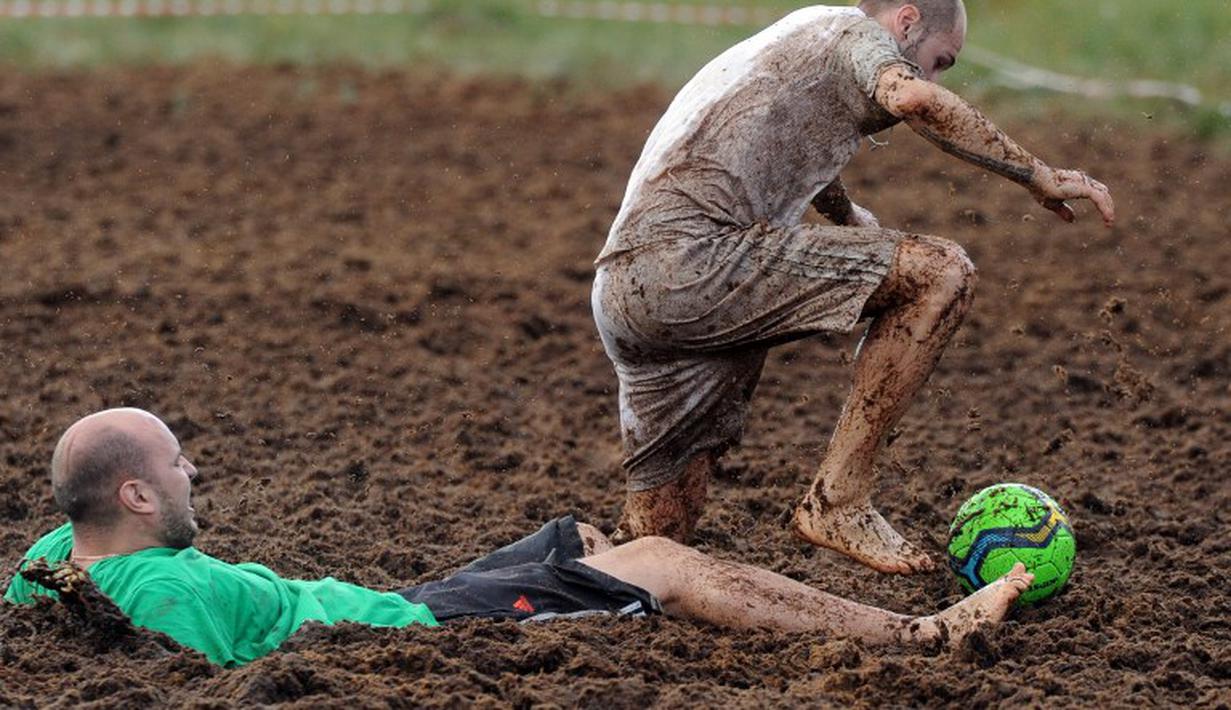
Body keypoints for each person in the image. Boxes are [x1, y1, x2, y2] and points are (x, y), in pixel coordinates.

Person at [590, 0, 1114, 572]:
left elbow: (780, 136)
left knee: (650, 549)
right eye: (939, 61)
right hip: (694, 266)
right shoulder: (857, 34)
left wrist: (845, 216)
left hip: (626, 289)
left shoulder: (805, 30)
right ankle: (839, 501)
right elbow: (912, 99)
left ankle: (535, 589)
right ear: (906, 21)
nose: (932, 76)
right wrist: (1039, 175)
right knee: (942, 273)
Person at [5, 408, 1033, 666]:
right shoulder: (174, 604)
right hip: (409, 629)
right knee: (659, 560)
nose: (195, 472)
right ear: (135, 494)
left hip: (386, 596)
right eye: (177, 465)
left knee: (582, 534)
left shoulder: (51, 566)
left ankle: (649, 598)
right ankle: (919, 636)